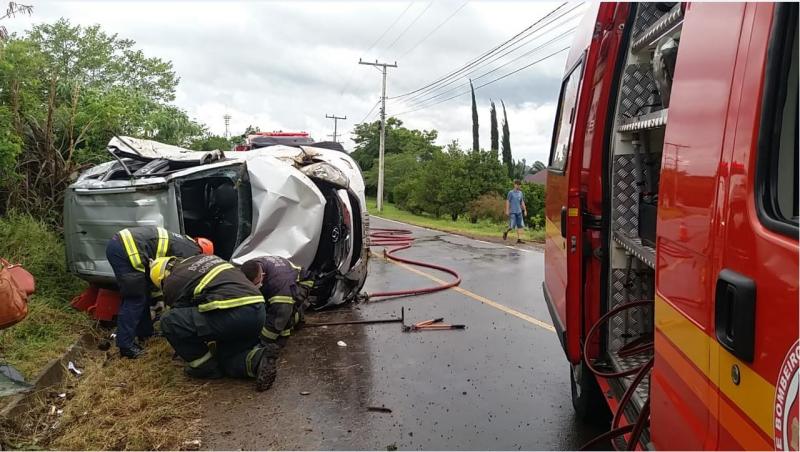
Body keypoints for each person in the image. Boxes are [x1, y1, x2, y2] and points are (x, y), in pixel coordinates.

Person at [149, 254, 276, 391]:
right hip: (257, 312)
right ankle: (258, 361)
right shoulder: (205, 258)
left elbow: (181, 321)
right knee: (226, 356)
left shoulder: (173, 281)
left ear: (162, 278)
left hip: (233, 312)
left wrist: (186, 348)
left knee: (168, 321)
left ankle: (205, 368)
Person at [105, 226, 214, 359]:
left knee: (142, 293)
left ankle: (145, 333)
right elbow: (178, 281)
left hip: (124, 246)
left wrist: (158, 296)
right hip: (129, 250)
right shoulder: (192, 254)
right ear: (203, 254)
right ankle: (126, 346)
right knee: (135, 298)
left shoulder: (185, 243)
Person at [240, 256, 313, 383]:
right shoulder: (249, 268)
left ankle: (297, 316)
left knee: (284, 311)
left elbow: (280, 315)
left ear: (262, 275)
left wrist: (262, 342)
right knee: (270, 305)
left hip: (302, 282)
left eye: (256, 283)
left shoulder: (279, 283)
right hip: (278, 278)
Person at [503, 179, 528, 244]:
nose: (519, 187)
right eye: (518, 185)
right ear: (515, 185)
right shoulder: (510, 193)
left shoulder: (520, 193)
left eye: (520, 185)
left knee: (520, 226)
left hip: (519, 211)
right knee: (512, 226)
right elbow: (508, 201)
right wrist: (507, 210)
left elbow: (522, 202)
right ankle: (506, 232)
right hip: (513, 212)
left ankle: (519, 239)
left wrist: (525, 210)